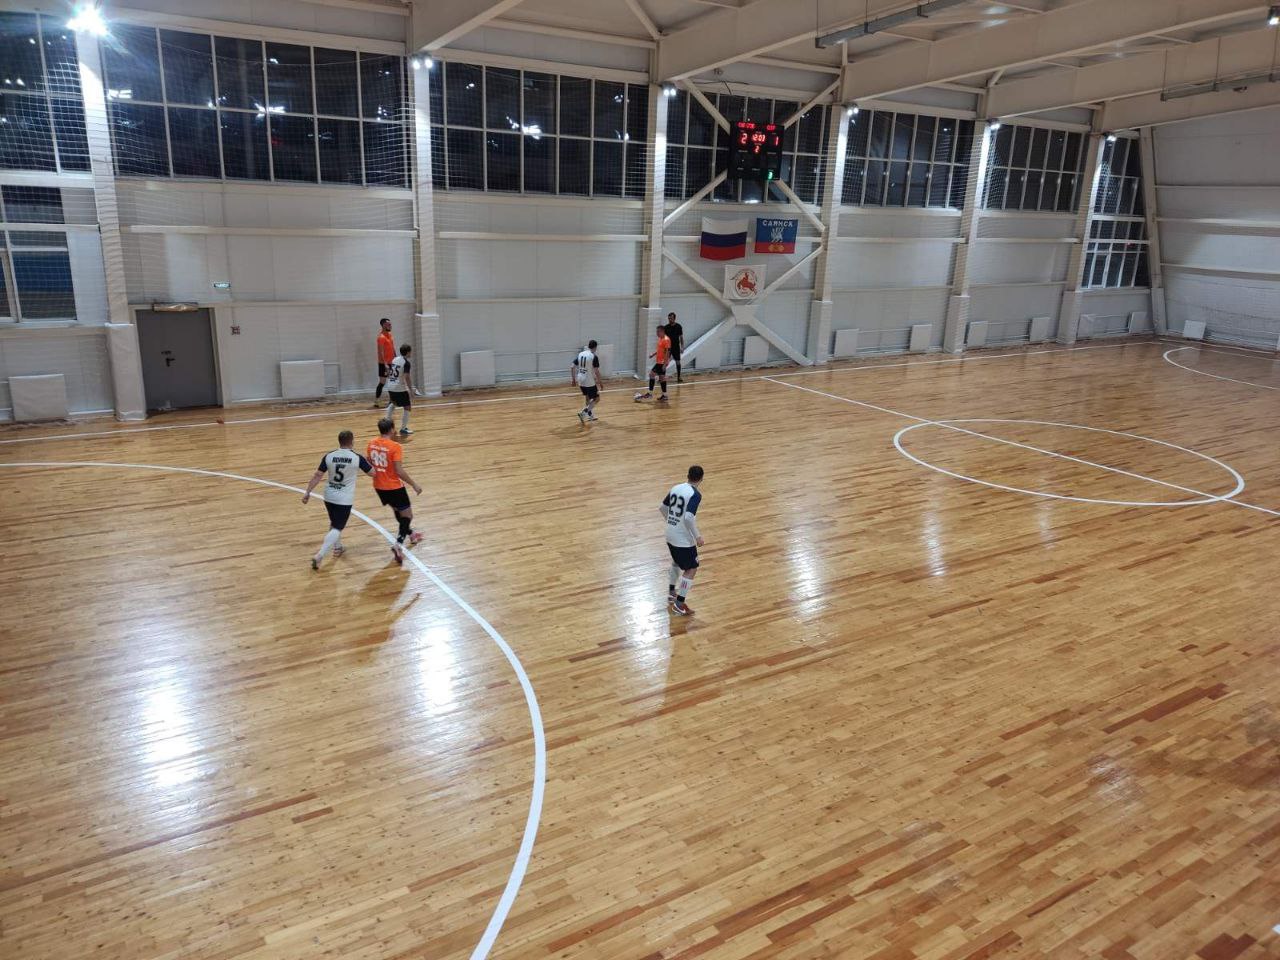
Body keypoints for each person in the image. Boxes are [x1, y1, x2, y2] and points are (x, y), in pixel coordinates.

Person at [302, 429, 373, 570]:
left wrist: (307, 492)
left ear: (339, 441)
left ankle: (337, 547)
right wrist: (371, 463)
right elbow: (373, 473)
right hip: (344, 499)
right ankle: (320, 555)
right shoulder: (357, 458)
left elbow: (317, 475)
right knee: (337, 527)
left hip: (329, 496)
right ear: (352, 441)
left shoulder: (329, 456)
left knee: (334, 523)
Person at [367, 417, 424, 565]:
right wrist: (414, 484)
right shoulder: (395, 446)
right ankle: (398, 545)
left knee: (399, 512)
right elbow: (399, 471)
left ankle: (411, 534)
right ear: (392, 429)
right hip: (394, 487)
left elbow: (369, 462)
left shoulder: (371, 443)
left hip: (379, 486)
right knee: (408, 515)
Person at [660, 464, 705, 616]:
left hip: (669, 534)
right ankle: (679, 604)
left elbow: (662, 507)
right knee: (691, 568)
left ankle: (671, 593)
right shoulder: (695, 494)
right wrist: (698, 536)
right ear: (701, 479)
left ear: (688, 475)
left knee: (676, 562)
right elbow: (688, 517)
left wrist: (671, 522)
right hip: (682, 539)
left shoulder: (676, 488)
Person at [383, 343, 414, 436]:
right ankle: (403, 428)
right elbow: (407, 377)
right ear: (408, 352)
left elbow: (390, 372)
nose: (411, 353)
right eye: (410, 352)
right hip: (398, 388)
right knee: (407, 407)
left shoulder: (395, 359)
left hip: (390, 385)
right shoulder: (406, 363)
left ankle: (385, 426)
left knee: (393, 403)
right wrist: (410, 389)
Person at [637, 324, 671, 403]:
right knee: (662, 378)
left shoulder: (666, 339)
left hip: (661, 362)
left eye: (658, 331)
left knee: (651, 374)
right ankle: (665, 395)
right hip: (659, 361)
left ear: (662, 331)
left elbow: (667, 352)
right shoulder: (660, 339)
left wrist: (665, 364)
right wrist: (653, 354)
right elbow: (660, 349)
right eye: (656, 331)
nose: (657, 333)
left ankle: (650, 393)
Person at [572, 340, 603, 424]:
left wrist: (573, 380)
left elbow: (572, 366)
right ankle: (584, 413)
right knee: (597, 399)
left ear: (588, 346)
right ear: (595, 347)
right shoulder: (593, 356)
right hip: (588, 380)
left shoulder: (581, 354)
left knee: (587, 397)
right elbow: (596, 371)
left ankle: (590, 415)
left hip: (580, 379)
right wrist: (600, 383)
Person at [374, 318, 395, 407]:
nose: (390, 326)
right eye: (388, 325)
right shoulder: (381, 337)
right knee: (382, 382)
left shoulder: (390, 335)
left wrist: (396, 359)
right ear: (383, 325)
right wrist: (385, 364)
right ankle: (376, 401)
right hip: (384, 364)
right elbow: (381, 352)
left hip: (391, 362)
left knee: (392, 382)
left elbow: (392, 348)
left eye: (390, 324)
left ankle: (391, 401)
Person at [664, 312, 685, 383]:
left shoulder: (678, 326)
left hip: (676, 347)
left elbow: (681, 337)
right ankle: (662, 377)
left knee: (678, 362)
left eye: (671, 318)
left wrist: (682, 347)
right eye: (669, 318)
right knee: (664, 362)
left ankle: (679, 377)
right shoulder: (666, 327)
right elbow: (664, 339)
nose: (670, 320)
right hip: (668, 347)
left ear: (674, 318)